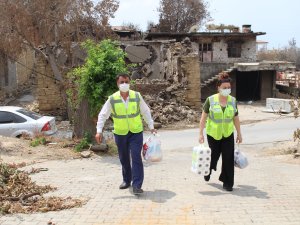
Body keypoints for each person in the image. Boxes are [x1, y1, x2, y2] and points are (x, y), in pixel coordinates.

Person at [95, 73, 156, 195]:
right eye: (122, 82)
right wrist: (99, 131)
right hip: (120, 133)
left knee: (136, 157)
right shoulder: (112, 99)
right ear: (117, 84)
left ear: (130, 82)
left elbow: (145, 111)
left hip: (135, 132)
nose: (124, 84)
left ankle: (137, 185)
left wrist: (151, 126)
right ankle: (127, 180)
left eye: (126, 82)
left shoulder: (136, 96)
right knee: (124, 158)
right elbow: (103, 115)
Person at [199, 73, 242, 191]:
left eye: (229, 87)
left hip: (228, 134)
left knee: (228, 158)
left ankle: (227, 183)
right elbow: (203, 118)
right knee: (214, 156)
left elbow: (236, 118)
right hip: (213, 134)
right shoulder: (210, 100)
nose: (227, 90)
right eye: (224, 88)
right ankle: (207, 171)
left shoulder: (233, 101)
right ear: (218, 87)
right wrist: (200, 134)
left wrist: (239, 133)